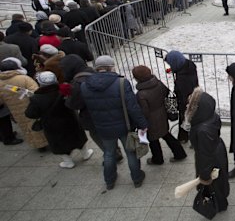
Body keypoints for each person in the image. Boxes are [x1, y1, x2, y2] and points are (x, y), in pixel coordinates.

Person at [79, 55, 148, 190]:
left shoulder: (84, 85)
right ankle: (136, 178)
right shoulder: (121, 83)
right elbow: (132, 107)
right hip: (123, 125)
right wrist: (142, 124)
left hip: (102, 127)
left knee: (109, 153)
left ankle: (109, 180)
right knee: (130, 152)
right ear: (111, 67)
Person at [25, 71, 94, 168]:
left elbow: (30, 114)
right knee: (78, 138)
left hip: (52, 125)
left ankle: (68, 161)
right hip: (70, 120)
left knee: (59, 143)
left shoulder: (37, 98)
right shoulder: (64, 90)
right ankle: (85, 154)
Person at [132, 65, 187, 165]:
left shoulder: (141, 94)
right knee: (166, 134)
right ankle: (180, 153)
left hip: (151, 121)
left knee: (153, 140)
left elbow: (144, 112)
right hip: (162, 114)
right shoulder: (158, 83)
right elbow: (166, 93)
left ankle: (157, 159)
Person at [186, 87, 229, 213]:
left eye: (191, 104)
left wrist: (204, 175)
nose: (188, 106)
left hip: (211, 157)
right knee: (220, 180)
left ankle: (220, 205)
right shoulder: (210, 116)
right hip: (217, 150)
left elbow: (205, 156)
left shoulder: (203, 130)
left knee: (213, 183)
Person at [0, 58, 47, 150]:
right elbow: (36, 92)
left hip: (14, 110)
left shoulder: (1, 83)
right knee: (35, 124)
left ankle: (37, 145)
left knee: (25, 126)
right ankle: (43, 142)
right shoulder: (24, 78)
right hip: (30, 106)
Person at [164, 50, 199, 143]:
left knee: (186, 118)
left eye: (171, 64)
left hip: (186, 100)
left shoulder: (183, 78)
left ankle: (185, 137)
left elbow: (183, 93)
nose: (170, 66)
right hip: (193, 95)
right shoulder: (188, 65)